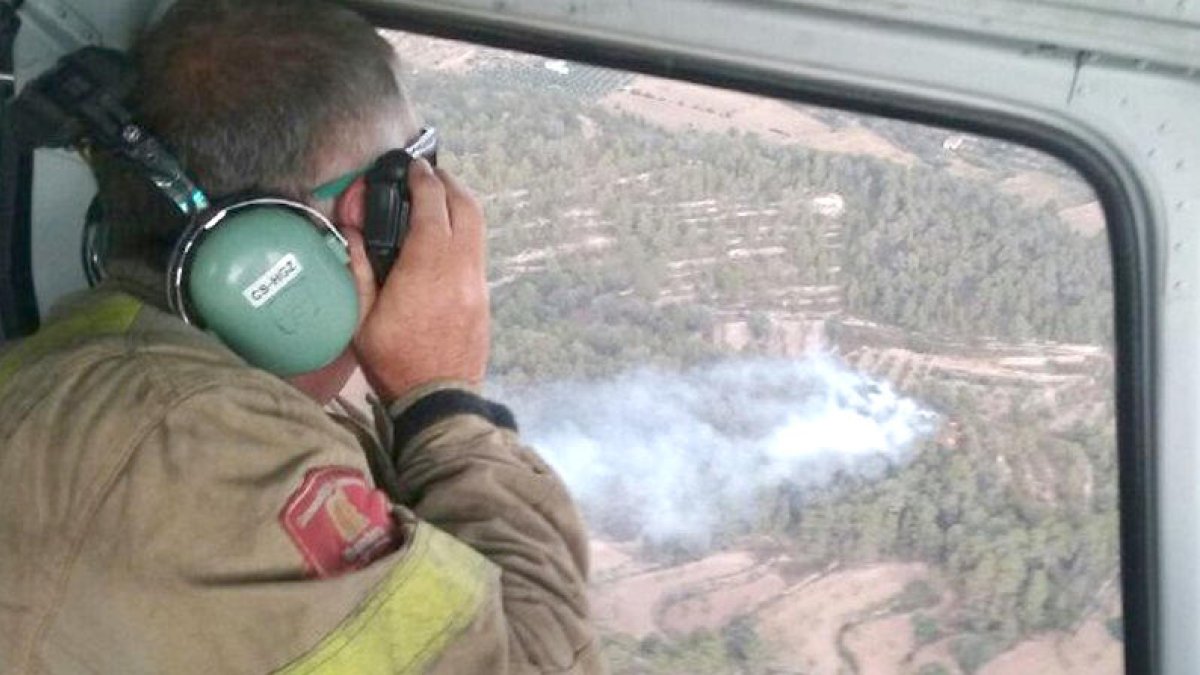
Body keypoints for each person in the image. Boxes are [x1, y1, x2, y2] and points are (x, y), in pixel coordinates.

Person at [0, 1, 602, 673]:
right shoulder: (185, 443)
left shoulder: (131, 377)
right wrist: (445, 401)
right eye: (409, 185)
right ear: (356, 218)